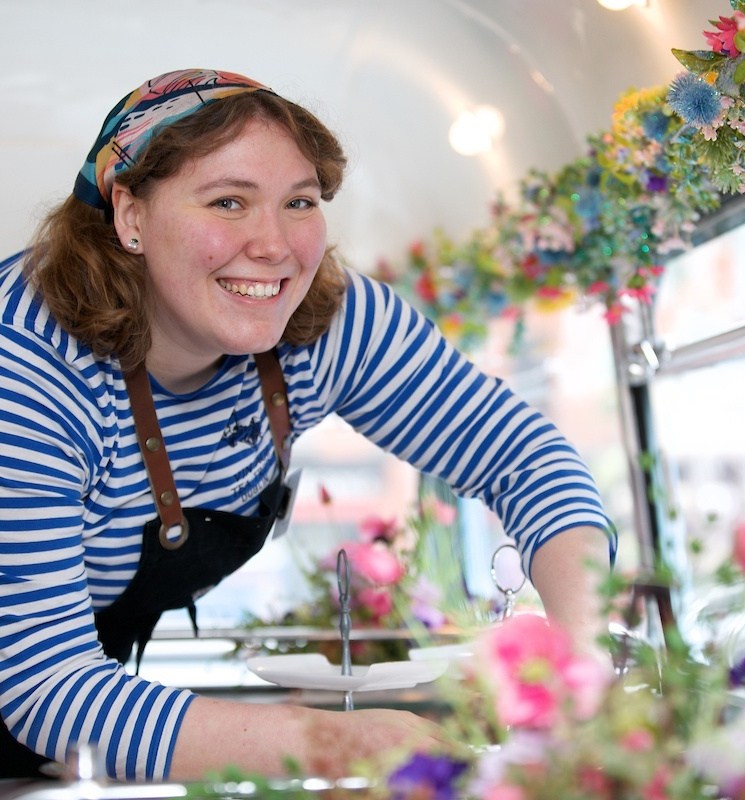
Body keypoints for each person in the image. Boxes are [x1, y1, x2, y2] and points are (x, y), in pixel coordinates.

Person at [0, 68, 616, 783]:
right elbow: (44, 686)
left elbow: (524, 456)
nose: (274, 245)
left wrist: (582, 651)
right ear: (130, 215)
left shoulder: (332, 321)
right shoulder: (26, 358)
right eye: (228, 201)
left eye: (299, 201)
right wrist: (337, 744)